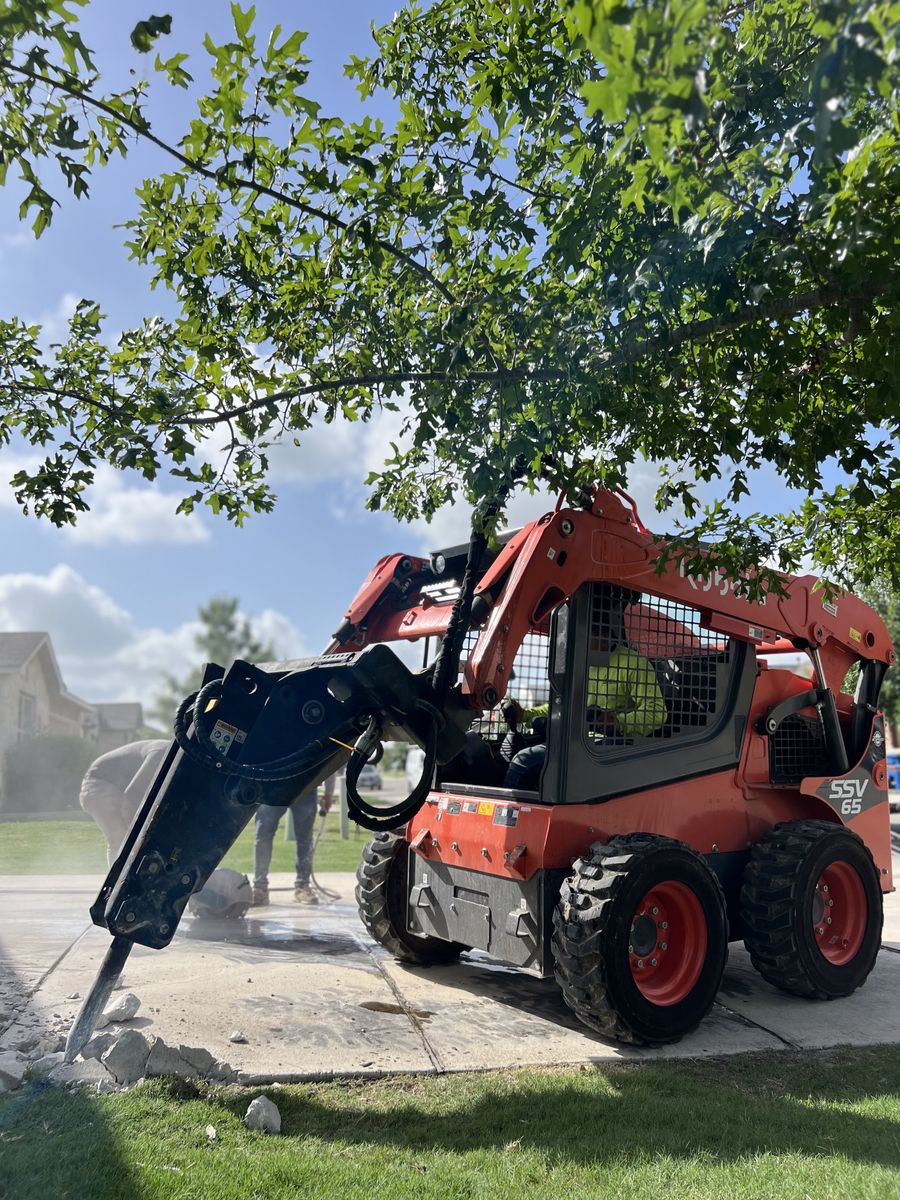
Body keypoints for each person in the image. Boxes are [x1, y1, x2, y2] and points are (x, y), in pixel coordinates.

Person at [505, 584, 667, 789]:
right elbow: (561, 706)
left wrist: (618, 722)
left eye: (584, 636)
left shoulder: (635, 664)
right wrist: (526, 715)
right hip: (576, 742)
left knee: (524, 761)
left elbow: (658, 712)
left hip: (609, 747)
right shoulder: (579, 665)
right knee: (515, 752)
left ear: (601, 632)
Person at [251, 773, 337, 907]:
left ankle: (302, 886)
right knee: (263, 834)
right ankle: (259, 889)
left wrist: (328, 793)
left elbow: (331, 756)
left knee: (304, 838)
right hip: (273, 784)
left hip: (306, 785)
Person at [80, 738, 169, 866]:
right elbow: (132, 795)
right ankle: (116, 883)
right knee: (121, 840)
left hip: (107, 786)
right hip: (98, 784)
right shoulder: (162, 753)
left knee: (129, 841)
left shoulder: (167, 753)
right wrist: (136, 830)